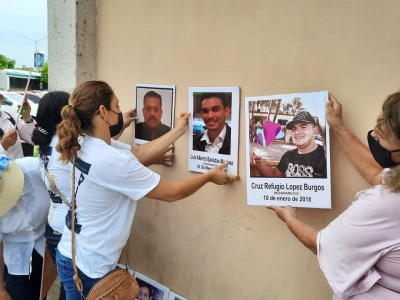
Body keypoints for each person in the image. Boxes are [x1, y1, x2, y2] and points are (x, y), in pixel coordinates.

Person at [53, 80, 239, 299]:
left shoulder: (85, 141)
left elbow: (139, 154)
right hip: (89, 269)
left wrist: (179, 130)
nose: (120, 111)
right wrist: (208, 176)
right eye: (117, 105)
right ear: (103, 112)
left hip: (70, 253)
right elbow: (172, 193)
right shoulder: (111, 160)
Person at [268, 93, 400, 299]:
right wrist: (337, 125)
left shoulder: (385, 203)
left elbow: (322, 245)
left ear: (314, 130)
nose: (374, 134)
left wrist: (288, 217)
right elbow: (377, 174)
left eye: (384, 129)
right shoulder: (288, 155)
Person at [0, 155, 50, 300]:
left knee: (41, 291)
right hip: (15, 252)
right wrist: (0, 291)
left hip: (45, 240)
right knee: (16, 293)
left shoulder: (33, 168)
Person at [252, 111, 327, 178]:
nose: (297, 132)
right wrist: (260, 164)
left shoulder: (325, 157)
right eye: (294, 129)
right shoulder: (288, 156)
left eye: (303, 127)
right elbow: (276, 174)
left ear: (315, 131)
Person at [0, 93, 35, 159]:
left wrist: (27, 117)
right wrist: (3, 146)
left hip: (18, 168)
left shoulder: (11, 118)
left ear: (1, 98)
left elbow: (34, 139)